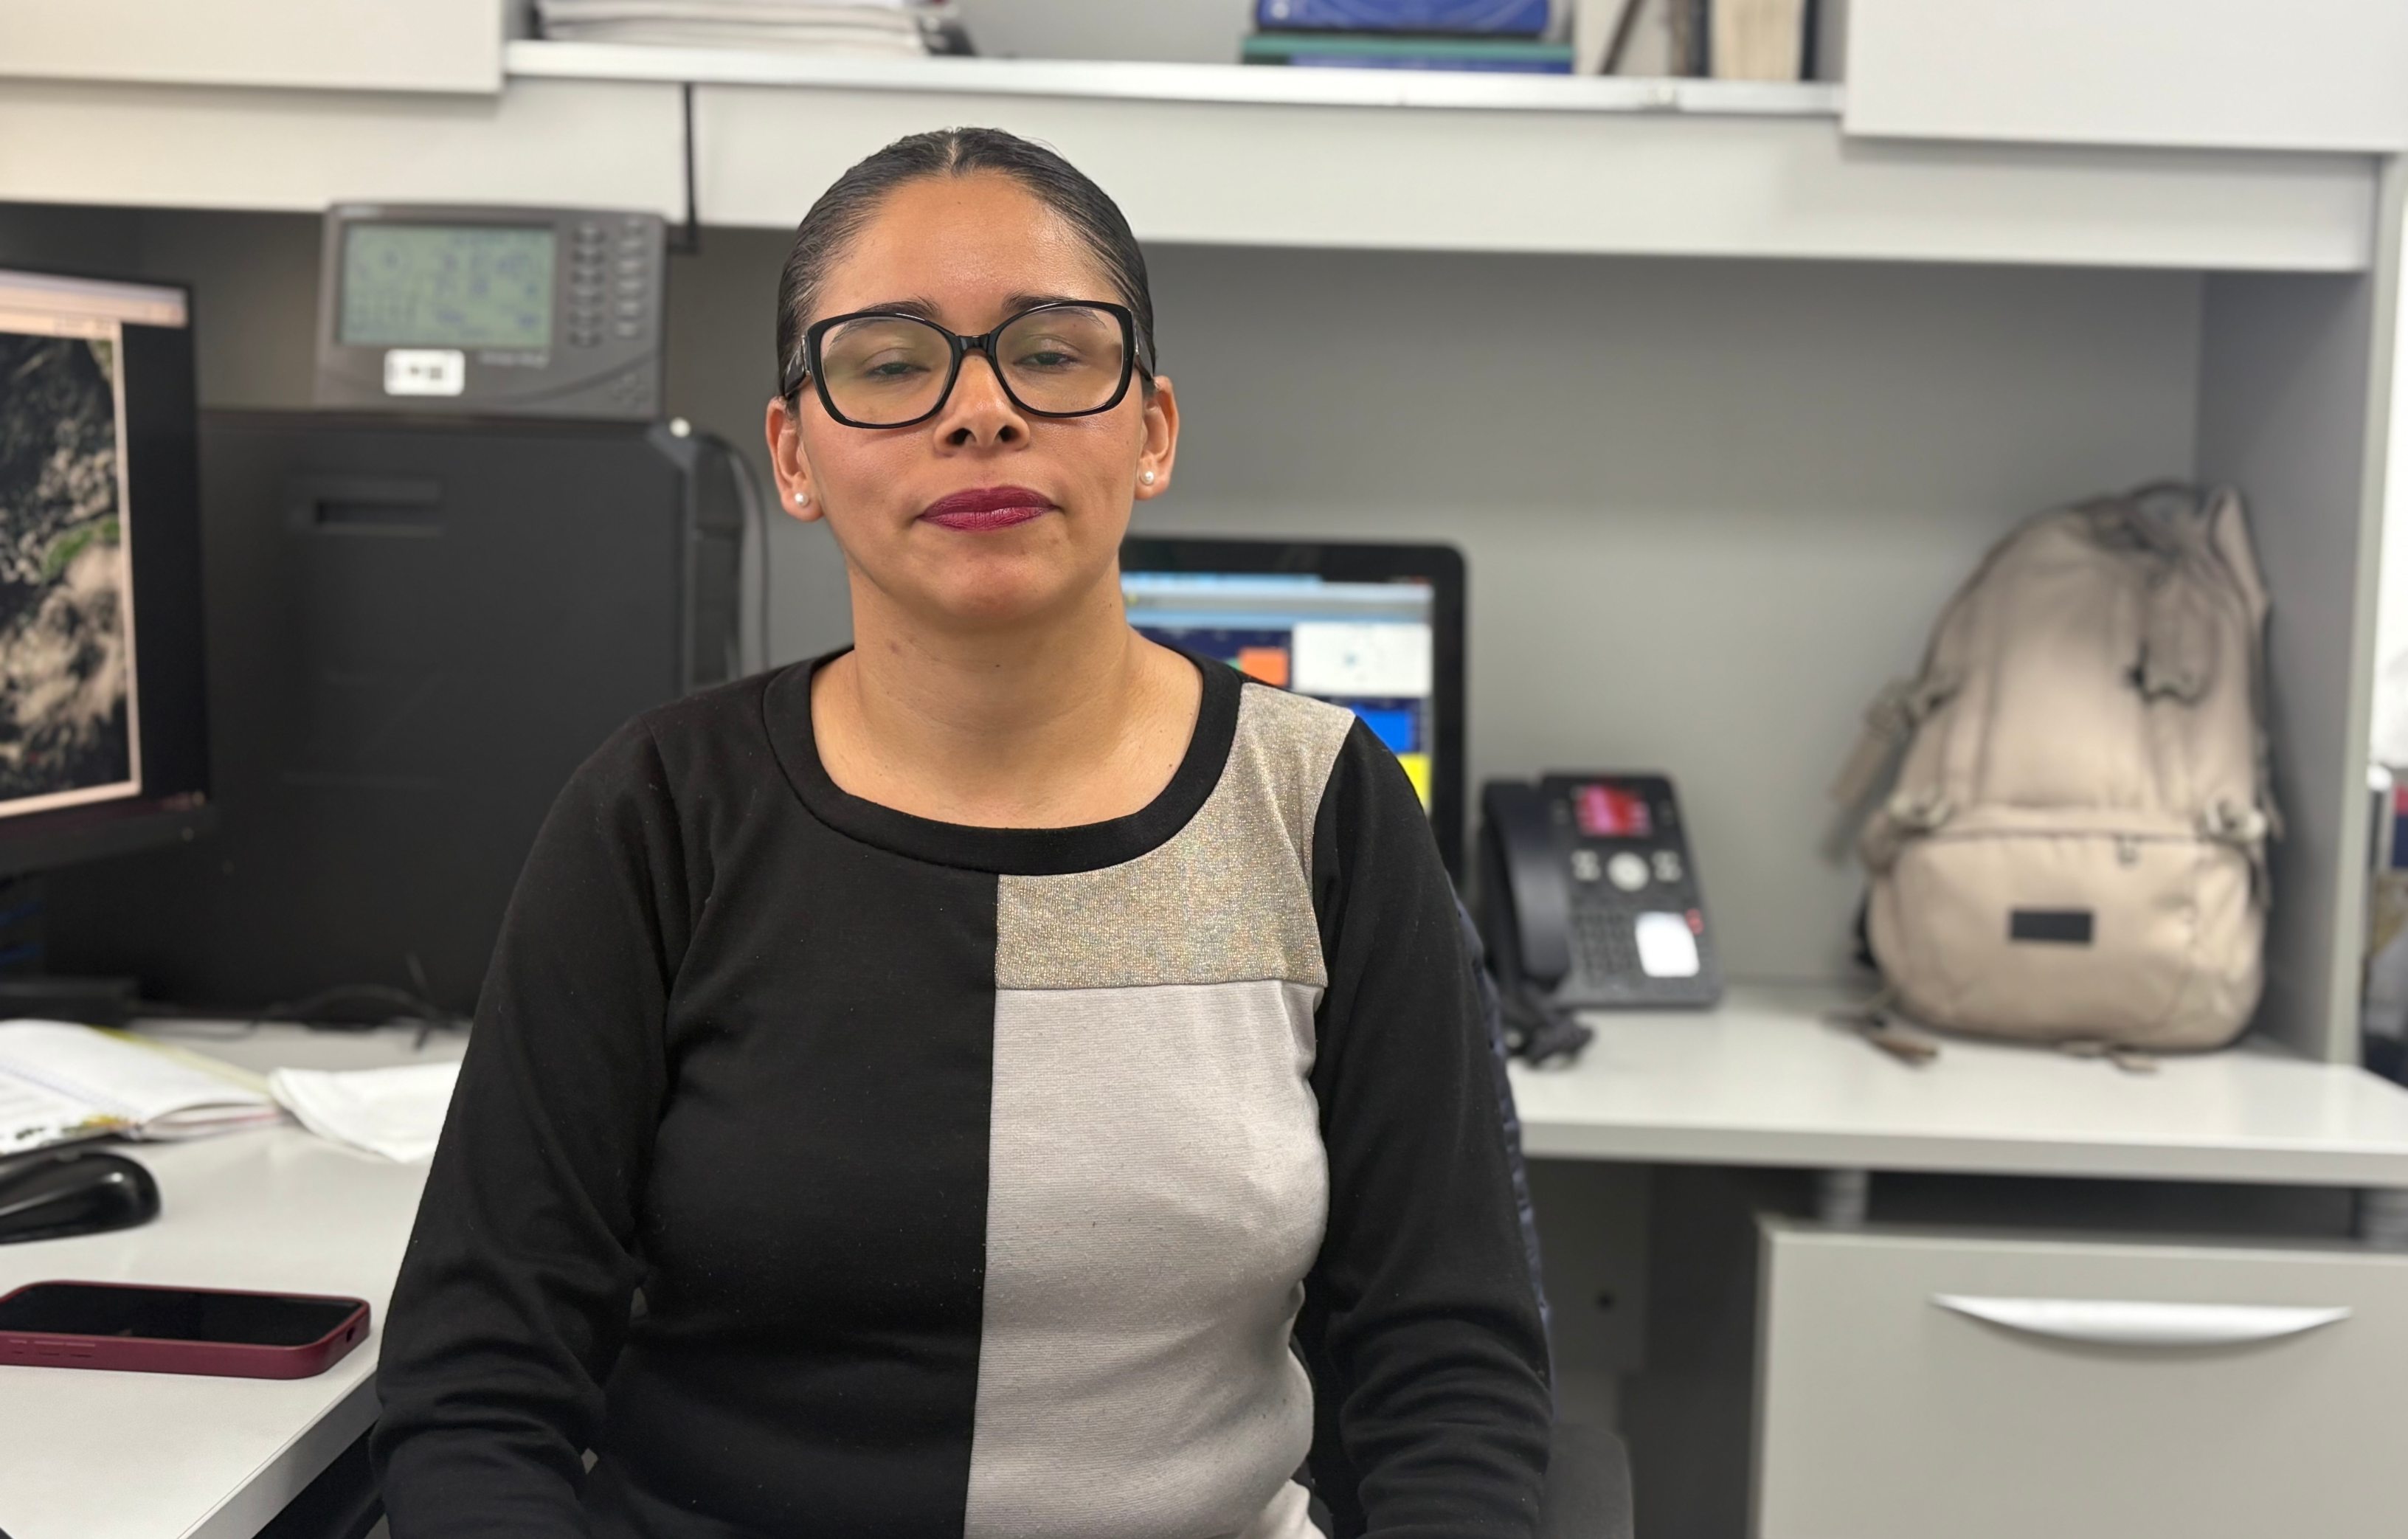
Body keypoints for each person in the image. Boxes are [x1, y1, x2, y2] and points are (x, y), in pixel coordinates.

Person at [371, 126, 1552, 1538]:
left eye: (1050, 354)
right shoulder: (660, 814)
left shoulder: (1319, 800)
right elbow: (479, 1389)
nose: (981, 412)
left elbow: (1450, 1377)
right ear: (795, 454)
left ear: (1153, 428)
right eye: (889, 364)